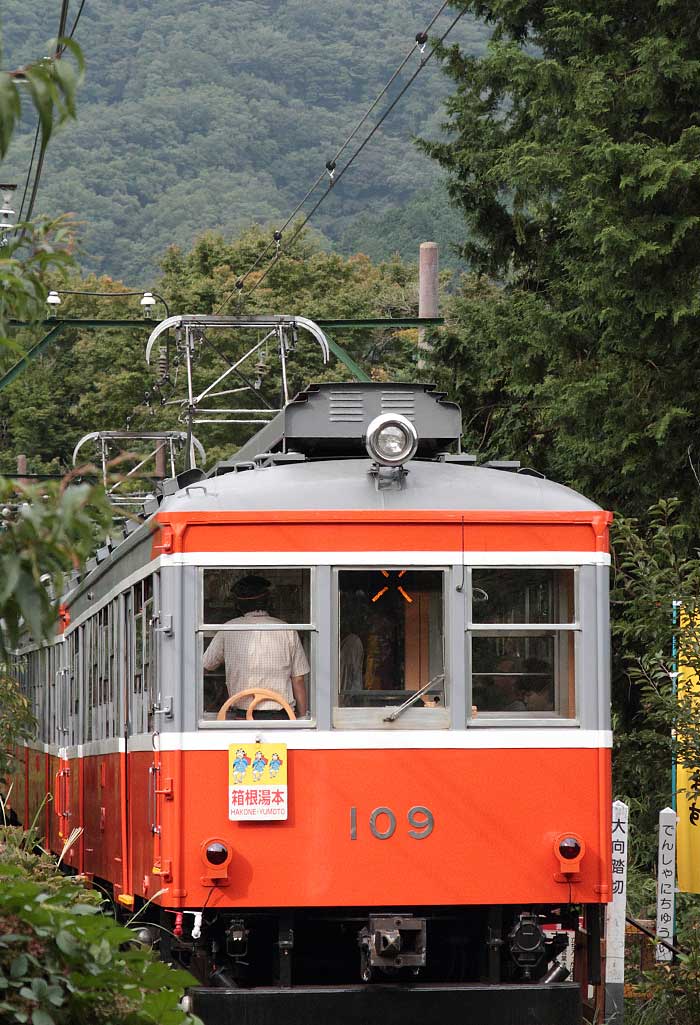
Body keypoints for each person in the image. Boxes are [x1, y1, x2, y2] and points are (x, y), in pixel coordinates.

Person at [203, 574, 309, 719]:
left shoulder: (228, 629)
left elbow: (207, 665)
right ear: (268, 602)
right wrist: (302, 717)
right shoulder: (287, 630)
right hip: (281, 717)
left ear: (238, 606)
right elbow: (298, 679)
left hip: (242, 716)